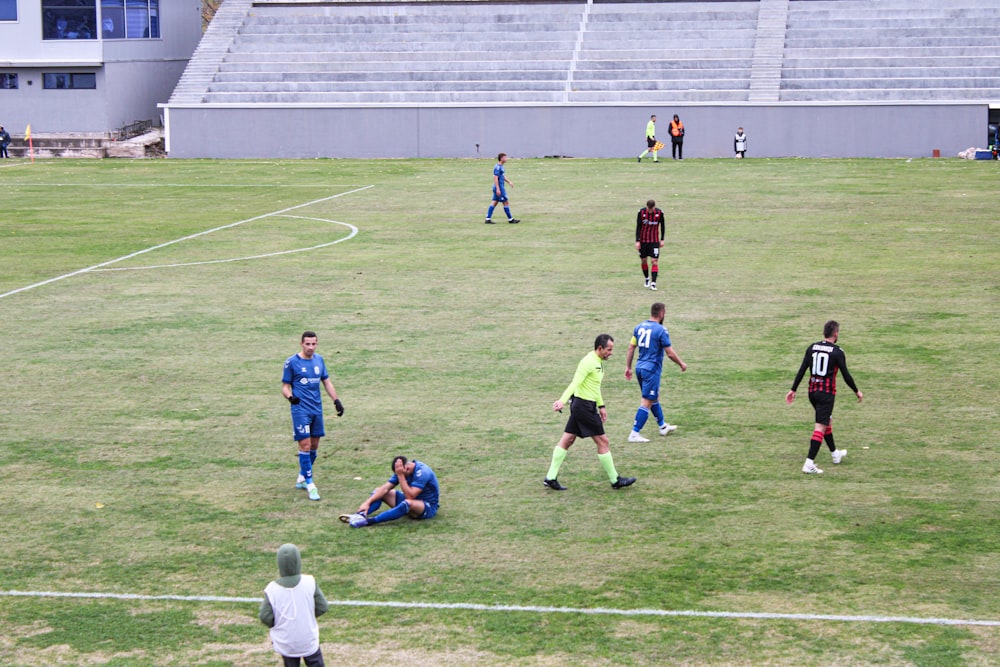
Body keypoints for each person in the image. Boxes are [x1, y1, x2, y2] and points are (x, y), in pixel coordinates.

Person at [543, 334, 636, 491]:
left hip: (585, 406)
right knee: (603, 442)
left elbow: (595, 386)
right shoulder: (588, 362)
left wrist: (601, 406)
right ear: (599, 348)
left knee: (568, 440)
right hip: (584, 407)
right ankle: (615, 480)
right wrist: (562, 401)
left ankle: (550, 477)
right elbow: (575, 383)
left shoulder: (598, 362)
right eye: (609, 349)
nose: (611, 353)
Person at [786, 320, 863, 474]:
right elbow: (846, 375)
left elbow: (802, 369)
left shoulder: (812, 347)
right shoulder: (837, 351)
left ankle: (835, 454)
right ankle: (809, 464)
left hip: (812, 392)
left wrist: (793, 389)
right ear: (836, 333)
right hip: (826, 394)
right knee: (820, 427)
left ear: (824, 333)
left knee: (827, 421)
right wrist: (856, 390)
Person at [281, 331, 344, 501]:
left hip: (317, 409)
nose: (310, 347)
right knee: (305, 445)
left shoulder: (319, 360)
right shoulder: (291, 362)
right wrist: (290, 397)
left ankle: (302, 477)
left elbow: (326, 381)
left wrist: (336, 400)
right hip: (300, 410)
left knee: (314, 446)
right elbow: (285, 386)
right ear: (301, 344)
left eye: (313, 344)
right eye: (307, 344)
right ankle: (310, 484)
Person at [625, 302, 687, 442]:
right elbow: (670, 353)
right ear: (662, 313)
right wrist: (681, 363)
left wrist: (628, 367)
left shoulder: (638, 327)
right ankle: (634, 433)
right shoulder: (661, 330)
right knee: (647, 401)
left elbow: (631, 348)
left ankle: (663, 426)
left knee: (654, 397)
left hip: (640, 368)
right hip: (651, 370)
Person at [260, 543, 329, 667]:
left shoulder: (271, 589)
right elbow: (322, 607)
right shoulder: (309, 582)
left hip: (286, 642)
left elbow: (265, 617)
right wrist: (306, 616)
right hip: (308, 639)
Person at [339, 456, 440, 527]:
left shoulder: (422, 472)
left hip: (427, 507)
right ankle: (359, 515)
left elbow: (411, 496)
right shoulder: (401, 470)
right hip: (410, 500)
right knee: (379, 491)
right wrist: (367, 503)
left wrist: (400, 476)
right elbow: (385, 488)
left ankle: (369, 522)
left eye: (401, 473)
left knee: (408, 502)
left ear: (407, 468)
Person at [635, 199, 666, 290]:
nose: (650, 211)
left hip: (654, 241)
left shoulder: (659, 213)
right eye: (649, 209)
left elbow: (663, 226)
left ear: (654, 207)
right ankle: (647, 278)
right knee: (644, 260)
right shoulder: (641, 212)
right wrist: (637, 240)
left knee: (654, 261)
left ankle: (653, 283)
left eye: (651, 209)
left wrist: (662, 239)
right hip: (643, 241)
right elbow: (638, 226)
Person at [484, 152, 520, 224]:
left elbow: (502, 176)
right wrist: (498, 189)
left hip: (499, 187)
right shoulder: (497, 167)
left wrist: (509, 182)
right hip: (499, 188)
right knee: (505, 202)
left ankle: (487, 219)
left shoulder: (501, 166)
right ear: (501, 158)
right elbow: (495, 178)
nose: (506, 159)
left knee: (494, 202)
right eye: (505, 157)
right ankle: (510, 219)